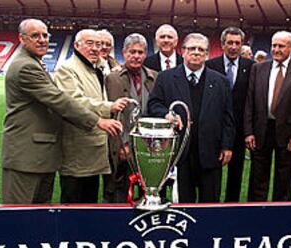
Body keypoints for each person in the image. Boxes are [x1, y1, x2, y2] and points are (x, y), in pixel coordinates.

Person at [2, 19, 122, 204]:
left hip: (40, 155)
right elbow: (60, 100)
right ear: (22, 39)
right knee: (19, 219)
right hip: (27, 156)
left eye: (44, 35)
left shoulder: (34, 63)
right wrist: (98, 120)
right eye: (35, 35)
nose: (42, 40)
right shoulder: (26, 66)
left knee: (38, 217)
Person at [148, 33, 235, 203]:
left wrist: (227, 146)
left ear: (207, 54)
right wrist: (167, 114)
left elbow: (228, 117)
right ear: (183, 51)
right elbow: (153, 104)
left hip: (211, 152)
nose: (196, 52)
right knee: (183, 203)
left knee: (210, 203)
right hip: (180, 153)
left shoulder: (221, 81)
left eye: (201, 49)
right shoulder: (165, 78)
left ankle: (209, 230)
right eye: (192, 48)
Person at [54, 29, 130, 203]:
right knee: (74, 202)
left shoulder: (97, 67)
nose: (96, 48)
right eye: (90, 43)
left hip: (94, 151)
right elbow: (74, 102)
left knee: (90, 202)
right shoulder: (67, 68)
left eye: (99, 44)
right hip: (77, 151)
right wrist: (109, 106)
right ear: (76, 45)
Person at [244, 31, 291, 202]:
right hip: (261, 129)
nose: (276, 49)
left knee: (285, 175)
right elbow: (250, 101)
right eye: (274, 45)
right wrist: (248, 131)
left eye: (281, 46)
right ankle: (256, 209)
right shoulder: (258, 68)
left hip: (288, 131)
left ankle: (281, 209)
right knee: (258, 173)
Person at [104, 33, 158, 203]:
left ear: (145, 54)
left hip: (148, 146)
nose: (136, 56)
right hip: (121, 145)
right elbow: (112, 115)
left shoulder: (155, 77)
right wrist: (123, 144)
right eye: (132, 52)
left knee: (147, 191)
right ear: (124, 53)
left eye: (140, 52)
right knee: (119, 191)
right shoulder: (112, 78)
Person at [206, 27, 254, 202]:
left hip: (239, 129)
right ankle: (212, 202)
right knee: (213, 169)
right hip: (215, 128)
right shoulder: (211, 65)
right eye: (230, 43)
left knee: (236, 170)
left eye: (237, 43)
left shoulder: (251, 66)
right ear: (222, 44)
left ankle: (231, 205)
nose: (234, 47)